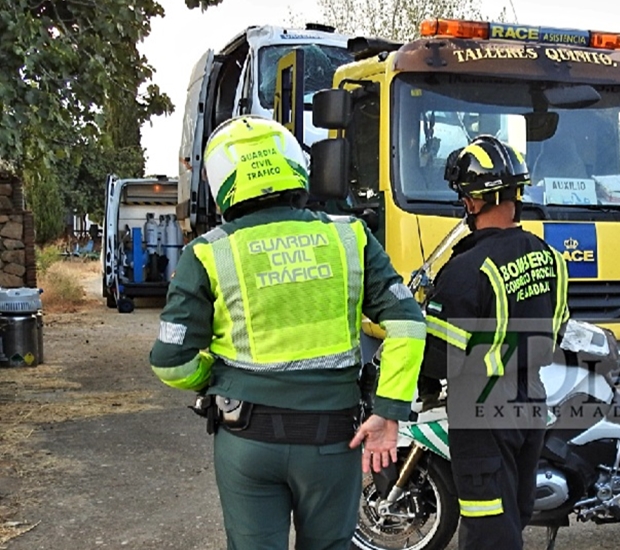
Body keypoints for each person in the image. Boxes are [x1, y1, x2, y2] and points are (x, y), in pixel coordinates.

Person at [149, 115, 425, 550]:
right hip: (334, 439)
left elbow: (171, 360)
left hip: (247, 440)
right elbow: (408, 323)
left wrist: (217, 379)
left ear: (222, 182)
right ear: (295, 165)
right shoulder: (350, 236)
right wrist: (389, 409)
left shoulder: (207, 252)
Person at [420, 135, 570, 550]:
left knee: (488, 530)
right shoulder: (548, 257)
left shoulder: (466, 270)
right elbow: (556, 331)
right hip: (531, 403)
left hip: (482, 413)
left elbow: (439, 357)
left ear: (472, 202)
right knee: (513, 516)